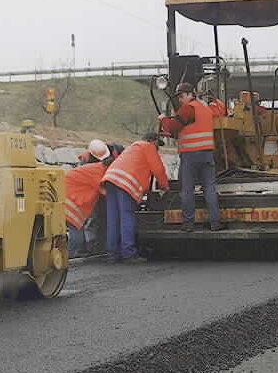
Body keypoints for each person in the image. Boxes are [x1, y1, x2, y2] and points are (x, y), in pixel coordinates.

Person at [157, 82, 225, 233]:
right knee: (209, 189)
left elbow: (173, 127)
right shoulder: (205, 108)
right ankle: (215, 223)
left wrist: (163, 119)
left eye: (182, 96)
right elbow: (221, 110)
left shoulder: (188, 109)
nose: (180, 100)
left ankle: (188, 224)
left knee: (188, 190)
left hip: (191, 155)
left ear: (190, 94)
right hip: (207, 154)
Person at [101, 132, 169, 264]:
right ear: (152, 141)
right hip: (125, 182)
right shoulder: (147, 147)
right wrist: (165, 186)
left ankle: (112, 253)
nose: (157, 148)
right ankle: (128, 253)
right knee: (127, 216)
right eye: (157, 145)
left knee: (113, 218)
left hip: (111, 179)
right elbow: (158, 169)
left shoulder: (133, 147)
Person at [65, 155, 113, 258]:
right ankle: (68, 256)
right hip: (71, 201)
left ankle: (69, 255)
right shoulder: (98, 172)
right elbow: (105, 192)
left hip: (67, 197)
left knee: (75, 230)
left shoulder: (96, 168)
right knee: (76, 231)